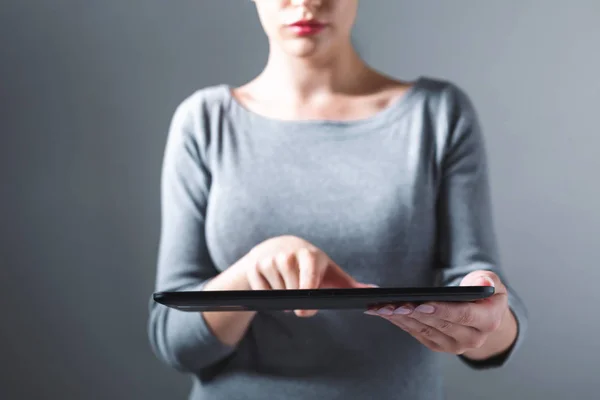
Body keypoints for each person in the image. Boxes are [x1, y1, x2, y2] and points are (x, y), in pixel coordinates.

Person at [147, 0, 528, 399]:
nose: (307, 2)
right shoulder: (204, 123)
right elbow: (174, 340)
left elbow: (488, 305)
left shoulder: (438, 115)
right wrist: (252, 274)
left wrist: (488, 317)